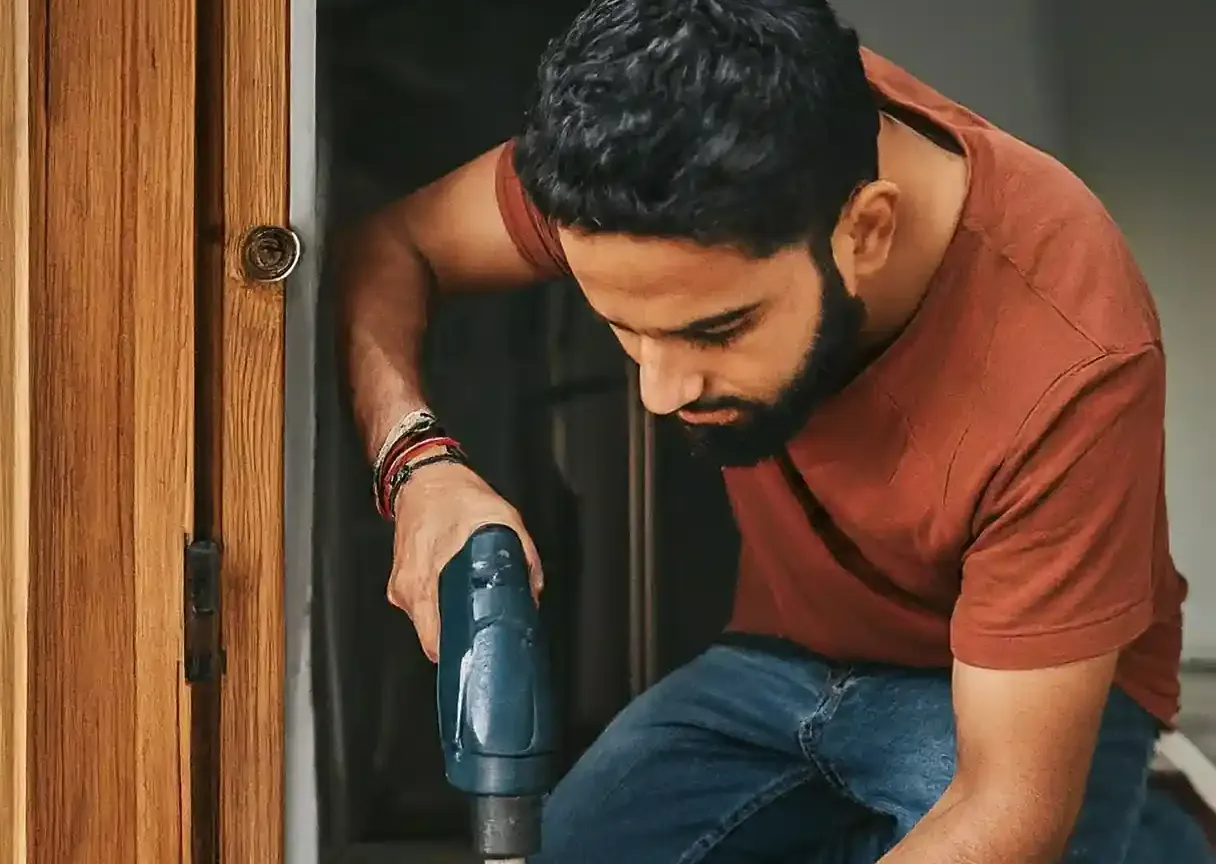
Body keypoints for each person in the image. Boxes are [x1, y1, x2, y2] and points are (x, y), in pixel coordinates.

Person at [334, 1, 1210, 861]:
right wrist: (417, 467)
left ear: (866, 231)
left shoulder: (1072, 359)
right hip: (781, 660)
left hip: (1008, 699)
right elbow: (390, 248)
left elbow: (1003, 809)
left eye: (714, 330)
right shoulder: (656, 140)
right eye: (622, 325)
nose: (660, 392)